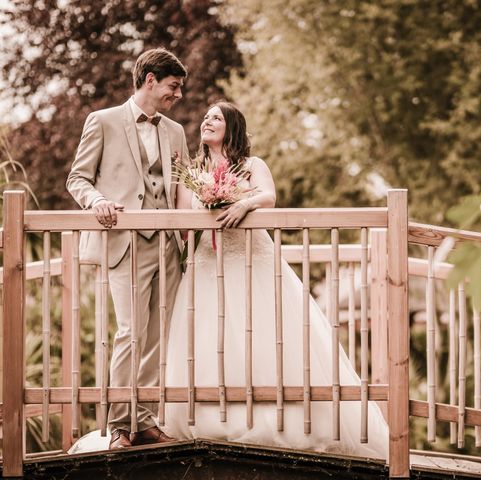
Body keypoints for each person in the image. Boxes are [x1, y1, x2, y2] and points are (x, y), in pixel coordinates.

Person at [163, 101, 389, 459]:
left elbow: (269, 195)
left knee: (267, 334)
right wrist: (205, 210)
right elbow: (181, 217)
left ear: (232, 126)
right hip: (208, 262)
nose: (207, 121)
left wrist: (243, 204)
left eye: (216, 117)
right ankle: (210, 419)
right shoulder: (193, 171)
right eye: (206, 116)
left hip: (252, 257)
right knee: (210, 338)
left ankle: (280, 420)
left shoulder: (252, 165)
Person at [66, 48, 189, 450]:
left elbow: (183, 185)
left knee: (157, 335)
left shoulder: (175, 131)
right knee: (129, 333)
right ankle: (121, 424)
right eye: (173, 87)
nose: (178, 95)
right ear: (150, 79)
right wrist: (96, 201)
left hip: (168, 245)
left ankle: (147, 419)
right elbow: (78, 179)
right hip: (125, 244)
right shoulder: (101, 121)